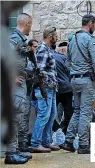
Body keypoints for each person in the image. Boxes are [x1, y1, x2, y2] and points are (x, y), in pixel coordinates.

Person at [61, 14, 95, 154]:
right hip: (86, 80)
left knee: (77, 111)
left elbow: (68, 61)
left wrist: (74, 72)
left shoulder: (72, 39)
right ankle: (83, 145)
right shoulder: (89, 39)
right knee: (85, 113)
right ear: (90, 24)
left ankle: (68, 141)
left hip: (74, 79)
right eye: (94, 25)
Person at [5, 12, 33, 164]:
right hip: (14, 86)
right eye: (31, 25)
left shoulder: (19, 39)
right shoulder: (15, 38)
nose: (31, 28)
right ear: (27, 23)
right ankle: (10, 154)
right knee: (14, 119)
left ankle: (14, 151)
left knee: (17, 118)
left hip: (20, 85)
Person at [30, 27, 60, 153]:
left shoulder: (48, 49)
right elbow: (39, 70)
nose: (57, 37)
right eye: (56, 35)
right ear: (50, 36)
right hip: (45, 88)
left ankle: (45, 142)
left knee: (51, 115)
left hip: (51, 88)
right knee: (43, 115)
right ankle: (35, 143)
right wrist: (49, 83)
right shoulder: (42, 49)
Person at [52, 42, 74, 134]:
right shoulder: (65, 59)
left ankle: (56, 129)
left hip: (55, 89)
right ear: (63, 50)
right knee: (69, 113)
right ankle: (64, 131)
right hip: (67, 90)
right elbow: (71, 73)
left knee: (51, 113)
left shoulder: (51, 57)